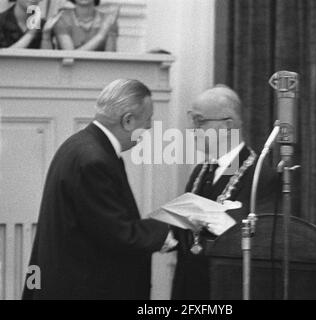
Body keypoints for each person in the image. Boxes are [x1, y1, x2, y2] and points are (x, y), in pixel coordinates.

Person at [22, 79, 177, 300]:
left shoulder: (80, 145)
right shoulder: (95, 160)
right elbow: (118, 233)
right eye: (148, 119)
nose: (150, 126)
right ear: (128, 120)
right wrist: (173, 228)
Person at [171, 85, 278, 300]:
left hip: (228, 290)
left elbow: (267, 241)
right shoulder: (201, 171)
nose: (192, 129)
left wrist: (223, 223)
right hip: (191, 287)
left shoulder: (261, 175)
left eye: (199, 121)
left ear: (228, 125)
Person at [53, 0, 119, 51]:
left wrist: (110, 29)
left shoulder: (108, 19)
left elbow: (109, 60)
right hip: (69, 68)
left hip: (99, 67)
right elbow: (70, 57)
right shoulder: (62, 19)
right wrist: (101, 35)